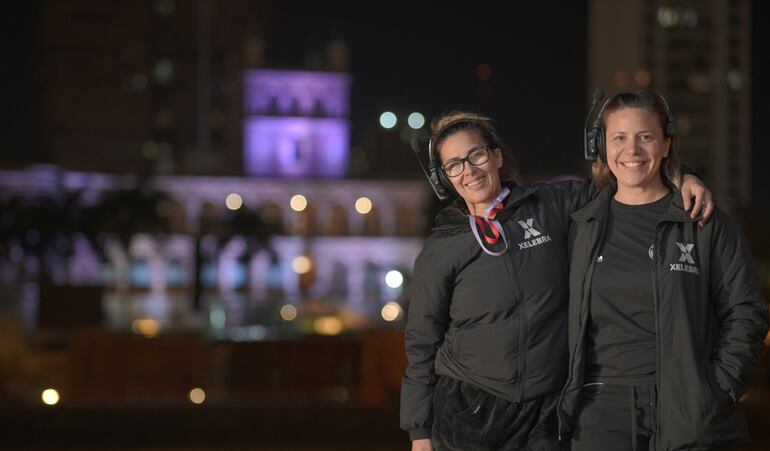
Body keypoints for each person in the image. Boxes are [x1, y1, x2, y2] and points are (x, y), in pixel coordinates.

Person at [400, 110, 713, 450]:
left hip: (545, 415)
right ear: (445, 177)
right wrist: (420, 432)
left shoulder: (553, 205)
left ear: (497, 156)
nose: (469, 171)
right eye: (454, 165)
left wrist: (685, 176)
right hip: (468, 414)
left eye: (476, 155)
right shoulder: (442, 248)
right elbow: (421, 343)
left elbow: (627, 176)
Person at [557, 90, 768, 450]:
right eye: (619, 138)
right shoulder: (580, 225)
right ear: (600, 146)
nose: (632, 150)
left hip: (688, 410)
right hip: (601, 412)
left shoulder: (704, 222)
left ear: (666, 145)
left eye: (646, 137)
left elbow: (746, 312)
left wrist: (717, 389)